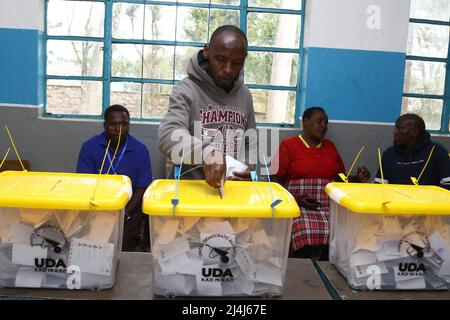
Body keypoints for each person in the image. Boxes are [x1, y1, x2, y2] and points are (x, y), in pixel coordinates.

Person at [158, 25, 257, 189]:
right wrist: (207, 153)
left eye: (237, 63)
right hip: (191, 195)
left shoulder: (245, 95)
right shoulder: (186, 90)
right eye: (221, 59)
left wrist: (249, 169)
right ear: (206, 52)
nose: (228, 70)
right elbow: (168, 135)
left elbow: (249, 143)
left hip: (232, 196)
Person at [270, 107, 370, 261]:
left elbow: (340, 179)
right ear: (305, 122)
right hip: (299, 205)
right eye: (319, 121)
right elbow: (275, 179)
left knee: (343, 228)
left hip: (329, 205)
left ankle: (326, 266)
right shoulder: (289, 145)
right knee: (303, 228)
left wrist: (358, 178)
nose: (324, 125)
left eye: (326, 123)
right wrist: (294, 199)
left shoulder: (330, 147)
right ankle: (306, 268)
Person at [76, 104, 152, 252]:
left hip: (129, 210)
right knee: (95, 247)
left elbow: (142, 186)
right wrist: (102, 212)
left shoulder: (140, 149)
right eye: (113, 124)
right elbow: (84, 183)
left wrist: (124, 212)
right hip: (97, 208)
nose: (118, 129)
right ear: (105, 125)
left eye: (124, 124)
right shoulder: (90, 147)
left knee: (121, 248)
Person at [375, 113, 450, 189]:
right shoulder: (389, 154)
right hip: (395, 201)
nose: (395, 132)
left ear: (414, 132)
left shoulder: (437, 152)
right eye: (395, 128)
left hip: (430, 200)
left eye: (400, 128)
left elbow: (447, 186)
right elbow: (379, 187)